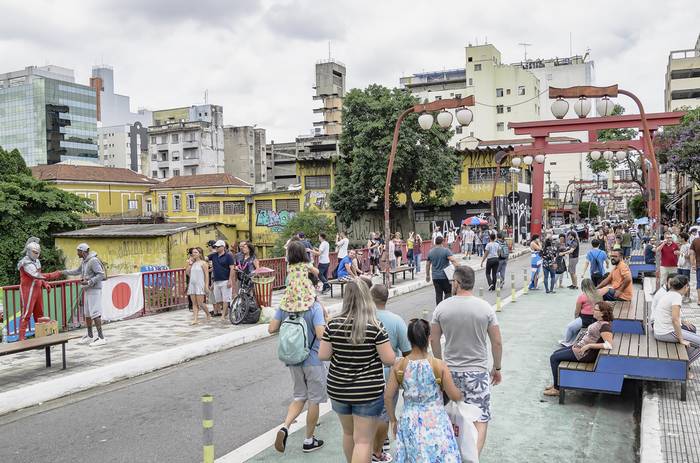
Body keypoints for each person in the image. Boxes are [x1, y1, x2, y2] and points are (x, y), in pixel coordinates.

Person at [319, 280, 396, 463]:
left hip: (338, 389)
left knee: (348, 433)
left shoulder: (333, 325)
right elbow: (388, 359)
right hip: (367, 391)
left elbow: (323, 354)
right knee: (363, 441)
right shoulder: (375, 327)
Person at [430, 266, 503, 455]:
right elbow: (496, 342)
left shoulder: (442, 308)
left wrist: (439, 364)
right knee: (480, 419)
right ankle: (473, 457)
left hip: (450, 372)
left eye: (453, 281)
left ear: (458, 283)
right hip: (477, 373)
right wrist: (497, 367)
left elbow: (433, 339)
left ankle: (450, 455)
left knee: (448, 416)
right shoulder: (485, 308)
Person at [269, 249, 326, 454]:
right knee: (314, 400)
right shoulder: (314, 307)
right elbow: (321, 334)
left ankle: (285, 426)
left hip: (293, 359)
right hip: (312, 359)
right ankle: (309, 440)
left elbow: (271, 328)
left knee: (299, 396)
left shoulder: (286, 306)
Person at [385, 319, 463, 462]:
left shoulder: (399, 365)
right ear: (428, 338)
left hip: (410, 421)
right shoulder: (438, 365)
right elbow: (453, 395)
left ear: (409, 339)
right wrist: (461, 394)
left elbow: (388, 396)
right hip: (436, 420)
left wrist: (393, 420)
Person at [370, 284, 411, 462]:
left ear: (371, 299)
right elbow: (407, 351)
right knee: (385, 414)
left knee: (367, 412)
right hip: (389, 373)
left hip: (365, 371)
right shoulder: (396, 321)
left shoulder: (364, 318)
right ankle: (378, 450)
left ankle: (371, 445)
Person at [545, 301, 614, 397]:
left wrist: (589, 346)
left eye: (595, 309)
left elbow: (609, 344)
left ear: (602, 313)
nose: (593, 311)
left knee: (554, 358)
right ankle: (558, 382)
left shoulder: (605, 326)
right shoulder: (600, 322)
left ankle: (557, 388)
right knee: (556, 353)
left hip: (585, 354)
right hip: (580, 348)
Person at [16, 238, 63, 340]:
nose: (37, 254)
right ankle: (21, 338)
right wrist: (53, 275)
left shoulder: (36, 261)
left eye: (38, 252)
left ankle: (40, 336)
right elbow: (36, 275)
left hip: (37, 290)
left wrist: (45, 284)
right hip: (27, 290)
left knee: (39, 314)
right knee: (26, 314)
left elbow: (39, 277)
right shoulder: (25, 262)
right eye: (35, 252)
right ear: (29, 251)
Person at [61, 243, 107, 346]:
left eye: (78, 251)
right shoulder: (84, 261)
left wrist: (89, 282)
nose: (77, 253)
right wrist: (63, 272)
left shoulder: (93, 261)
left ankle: (101, 337)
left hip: (94, 290)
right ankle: (90, 335)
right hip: (87, 290)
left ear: (82, 251)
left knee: (95, 313)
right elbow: (77, 271)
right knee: (87, 314)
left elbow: (101, 274)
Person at [652, 275, 700, 368]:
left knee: (693, 337)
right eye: (688, 286)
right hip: (665, 332)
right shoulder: (676, 297)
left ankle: (684, 362)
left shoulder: (670, 293)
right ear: (685, 287)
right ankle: (682, 367)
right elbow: (675, 320)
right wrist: (681, 340)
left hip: (661, 330)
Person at [559, 279, 602, 346]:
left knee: (570, 327)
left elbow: (577, 311)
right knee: (576, 328)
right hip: (595, 318)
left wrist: (576, 318)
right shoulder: (599, 295)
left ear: (582, 287)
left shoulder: (582, 296)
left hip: (584, 319)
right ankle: (571, 341)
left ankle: (566, 341)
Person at [426, 236, 459, 304]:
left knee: (438, 294)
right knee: (448, 292)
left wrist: (427, 275)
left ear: (435, 242)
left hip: (435, 277)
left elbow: (428, 265)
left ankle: (439, 310)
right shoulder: (446, 250)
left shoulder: (430, 252)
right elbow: (453, 261)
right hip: (445, 276)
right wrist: (458, 269)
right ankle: (446, 307)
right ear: (442, 242)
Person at [208, 240, 235, 317]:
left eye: (218, 247)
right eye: (215, 247)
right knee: (218, 299)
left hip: (225, 280)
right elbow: (205, 258)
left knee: (226, 299)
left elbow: (232, 268)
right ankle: (226, 311)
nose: (216, 248)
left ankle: (223, 315)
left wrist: (230, 280)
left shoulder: (228, 256)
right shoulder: (214, 255)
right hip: (216, 281)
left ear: (223, 247)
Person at [186, 247, 211, 325]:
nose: (194, 254)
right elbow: (187, 273)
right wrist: (190, 264)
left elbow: (207, 275)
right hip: (192, 284)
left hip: (200, 284)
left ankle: (208, 314)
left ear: (200, 254)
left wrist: (206, 286)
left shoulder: (203, 263)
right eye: (193, 252)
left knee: (200, 303)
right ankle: (195, 319)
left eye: (196, 252)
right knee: (194, 303)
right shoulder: (192, 263)